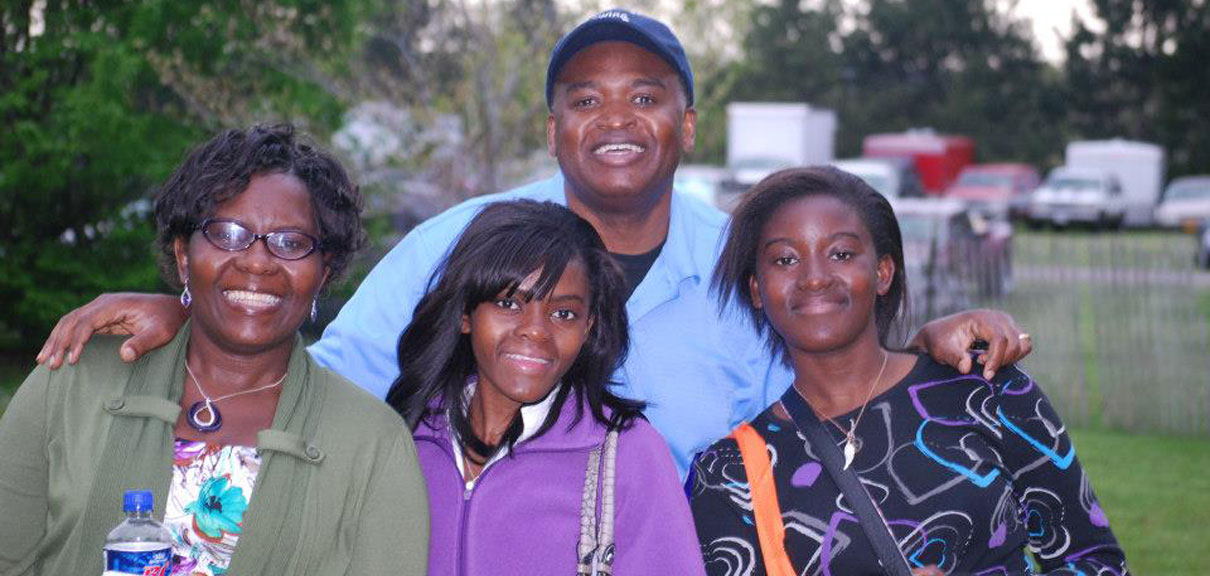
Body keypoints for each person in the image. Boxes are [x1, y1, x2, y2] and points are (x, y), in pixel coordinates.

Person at [35, 8, 1031, 475]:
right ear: (553, 129)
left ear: (688, 124)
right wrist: (199, 320)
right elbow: (326, 382)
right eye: (585, 99)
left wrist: (928, 342)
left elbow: (837, 390)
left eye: (647, 97)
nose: (616, 119)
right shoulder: (459, 242)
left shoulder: (745, 262)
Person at [0, 125, 429, 576]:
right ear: (184, 255)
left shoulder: (371, 441)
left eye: (291, 242)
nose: (257, 261)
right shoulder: (77, 380)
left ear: (323, 272)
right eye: (227, 233)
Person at [687, 167, 1133, 576]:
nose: (814, 277)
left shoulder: (986, 393)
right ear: (757, 289)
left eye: (841, 253)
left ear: (883, 272)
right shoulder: (728, 474)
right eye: (785, 259)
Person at [286, 200, 732, 576]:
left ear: (589, 328)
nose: (535, 331)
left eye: (563, 313)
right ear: (465, 313)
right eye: (508, 303)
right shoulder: (401, 441)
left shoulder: (625, 453)